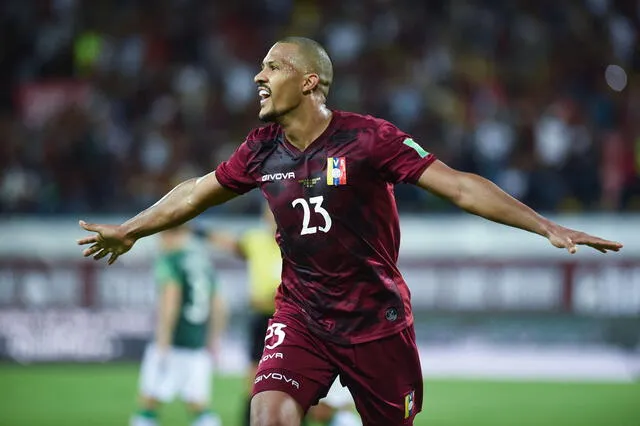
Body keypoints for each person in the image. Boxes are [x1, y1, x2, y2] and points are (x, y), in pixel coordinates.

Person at [78, 37, 622, 426]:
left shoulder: (369, 139)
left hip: (375, 321)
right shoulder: (260, 148)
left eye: (273, 67)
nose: (258, 77)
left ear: (309, 81)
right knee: (268, 411)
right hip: (301, 313)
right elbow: (197, 191)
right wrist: (132, 229)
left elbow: (457, 186)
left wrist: (542, 224)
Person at [205, 205, 361, 426]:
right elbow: (230, 243)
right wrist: (196, 229)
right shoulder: (255, 240)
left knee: (296, 379)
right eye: (269, 214)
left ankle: (306, 417)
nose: (273, 219)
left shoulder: (298, 241)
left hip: (295, 318)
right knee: (254, 379)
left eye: (276, 214)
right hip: (261, 317)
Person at [130, 225, 226, 426]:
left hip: (174, 341)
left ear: (168, 235)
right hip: (197, 343)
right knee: (199, 406)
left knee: (148, 404)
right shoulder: (202, 262)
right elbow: (219, 305)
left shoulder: (170, 260)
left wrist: (163, 339)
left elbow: (170, 300)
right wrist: (214, 339)